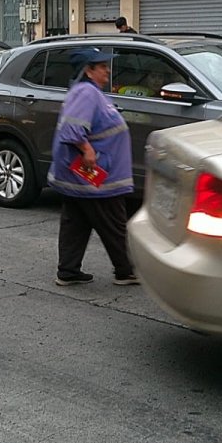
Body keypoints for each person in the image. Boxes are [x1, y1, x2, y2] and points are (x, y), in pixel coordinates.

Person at [48, 47, 139, 287]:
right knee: (113, 223)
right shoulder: (86, 93)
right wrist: (87, 150)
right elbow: (72, 131)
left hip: (82, 177)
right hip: (96, 177)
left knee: (76, 222)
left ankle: (68, 271)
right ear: (88, 70)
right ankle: (125, 271)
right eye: (101, 66)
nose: (107, 70)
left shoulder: (89, 92)